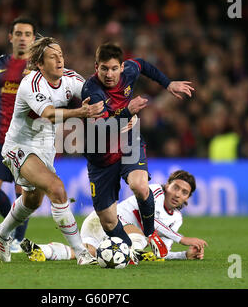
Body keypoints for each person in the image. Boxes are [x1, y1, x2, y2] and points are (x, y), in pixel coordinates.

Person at [0, 36, 104, 265]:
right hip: (19, 146)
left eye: (61, 54)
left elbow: (97, 94)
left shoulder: (70, 79)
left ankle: (2, 232)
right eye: (53, 56)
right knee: (57, 189)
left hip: (45, 147)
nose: (60, 59)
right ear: (40, 64)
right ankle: (81, 253)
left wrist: (117, 112)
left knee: (32, 201)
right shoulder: (31, 83)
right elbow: (49, 113)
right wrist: (82, 113)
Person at [80, 43, 195, 262]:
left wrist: (167, 83)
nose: (109, 74)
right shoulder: (91, 90)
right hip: (100, 154)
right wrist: (127, 111)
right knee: (108, 221)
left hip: (128, 142)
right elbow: (103, 130)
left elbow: (142, 65)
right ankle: (131, 252)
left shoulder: (130, 71)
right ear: (96, 67)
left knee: (140, 186)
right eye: (104, 68)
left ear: (122, 67)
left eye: (114, 68)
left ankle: (150, 233)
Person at [20, 170, 208, 262]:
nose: (177, 194)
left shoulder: (176, 219)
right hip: (104, 220)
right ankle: (131, 255)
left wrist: (184, 255)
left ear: (187, 198)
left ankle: (43, 250)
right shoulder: (153, 191)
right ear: (167, 185)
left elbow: (160, 252)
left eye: (184, 192)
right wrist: (182, 239)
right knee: (141, 237)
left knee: (87, 253)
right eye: (175, 187)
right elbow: (150, 221)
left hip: (112, 233)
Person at [0, 17, 37, 253]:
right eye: (18, 33)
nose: (22, 38)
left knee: (22, 193)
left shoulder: (39, 66)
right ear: (10, 37)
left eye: (27, 34)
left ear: (34, 39)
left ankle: (16, 240)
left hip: (26, 139)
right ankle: (12, 226)